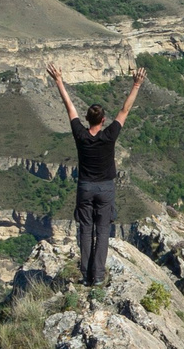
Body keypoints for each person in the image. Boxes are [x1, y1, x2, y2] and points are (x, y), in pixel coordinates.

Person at [49, 62, 144, 287]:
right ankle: (98, 276)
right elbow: (125, 110)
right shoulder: (109, 135)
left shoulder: (80, 134)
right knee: (102, 232)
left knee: (85, 230)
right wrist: (136, 85)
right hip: (105, 188)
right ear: (102, 121)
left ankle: (85, 274)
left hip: (85, 188)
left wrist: (59, 81)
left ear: (87, 120)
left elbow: (68, 106)